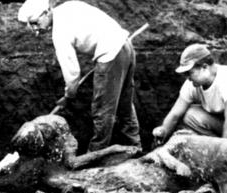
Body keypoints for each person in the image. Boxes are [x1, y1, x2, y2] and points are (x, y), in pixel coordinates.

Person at [17, 0, 141, 152]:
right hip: (125, 46)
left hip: (110, 55)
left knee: (102, 110)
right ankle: (135, 146)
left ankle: (96, 155)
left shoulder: (59, 32)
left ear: (47, 11)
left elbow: (72, 73)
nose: (36, 30)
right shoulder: (68, 7)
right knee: (124, 105)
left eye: (35, 23)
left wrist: (69, 95)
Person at [152, 44, 227, 146]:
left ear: (204, 67)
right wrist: (163, 131)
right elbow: (175, 114)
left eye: (190, 73)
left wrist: (223, 152)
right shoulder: (192, 84)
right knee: (189, 114)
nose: (188, 78)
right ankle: (216, 147)